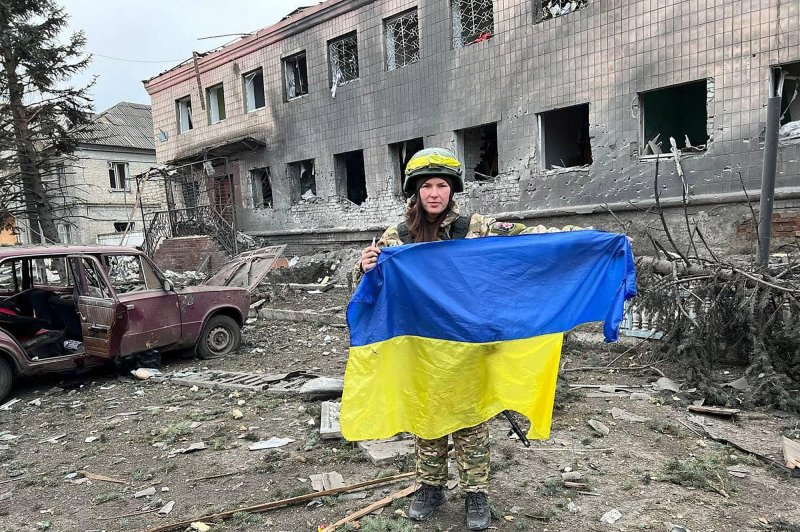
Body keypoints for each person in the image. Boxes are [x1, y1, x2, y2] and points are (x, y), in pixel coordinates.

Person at [351, 147, 547, 530]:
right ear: (415, 191)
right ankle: (431, 487)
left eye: (442, 185)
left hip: (467, 342)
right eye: (427, 186)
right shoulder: (397, 238)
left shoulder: (475, 227)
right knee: (426, 420)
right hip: (421, 346)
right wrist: (363, 267)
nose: (435, 193)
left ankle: (477, 495)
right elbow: (367, 293)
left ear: (453, 189)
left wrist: (587, 241)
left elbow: (529, 243)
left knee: (471, 421)